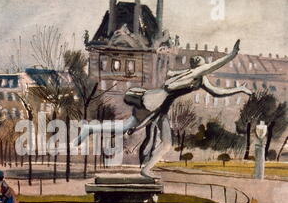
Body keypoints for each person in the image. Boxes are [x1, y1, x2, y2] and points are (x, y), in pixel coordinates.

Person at [74, 39, 252, 178]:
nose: (201, 62)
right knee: (149, 136)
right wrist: (233, 54)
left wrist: (240, 89)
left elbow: (218, 92)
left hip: (159, 107)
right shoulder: (194, 74)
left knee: (161, 141)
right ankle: (144, 167)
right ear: (200, 66)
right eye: (200, 62)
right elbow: (214, 67)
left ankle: (93, 131)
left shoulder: (196, 78)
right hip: (155, 102)